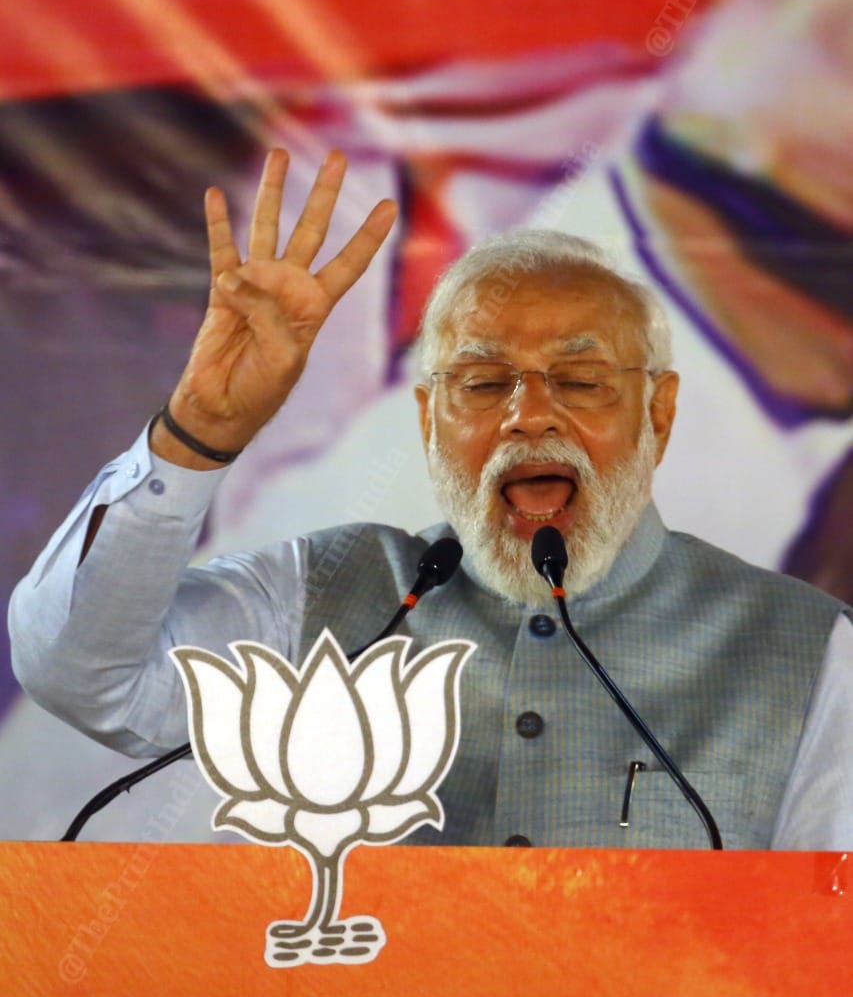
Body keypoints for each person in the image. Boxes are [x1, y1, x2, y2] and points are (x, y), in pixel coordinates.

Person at [8, 151, 852, 850]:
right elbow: (81, 672)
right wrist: (197, 432)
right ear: (428, 420)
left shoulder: (810, 652)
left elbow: (826, 944)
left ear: (656, 414)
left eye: (578, 380)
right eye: (482, 383)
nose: (527, 416)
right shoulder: (320, 594)